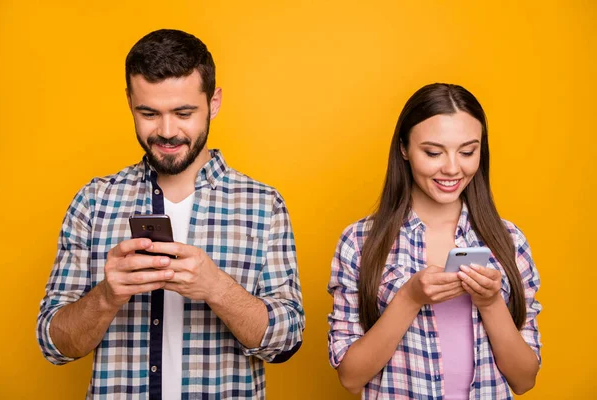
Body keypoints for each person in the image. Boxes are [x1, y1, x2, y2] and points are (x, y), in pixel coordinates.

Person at [37, 29, 304, 399]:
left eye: (183, 113)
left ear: (214, 102)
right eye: (149, 113)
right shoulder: (94, 201)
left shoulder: (263, 205)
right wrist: (107, 296)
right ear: (130, 102)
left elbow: (286, 342)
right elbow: (54, 345)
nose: (166, 131)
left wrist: (217, 288)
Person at [327, 83, 541, 399]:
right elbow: (350, 376)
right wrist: (410, 298)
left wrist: (490, 302)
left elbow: (524, 380)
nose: (453, 168)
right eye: (433, 152)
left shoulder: (509, 241)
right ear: (404, 149)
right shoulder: (359, 242)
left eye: (468, 151)